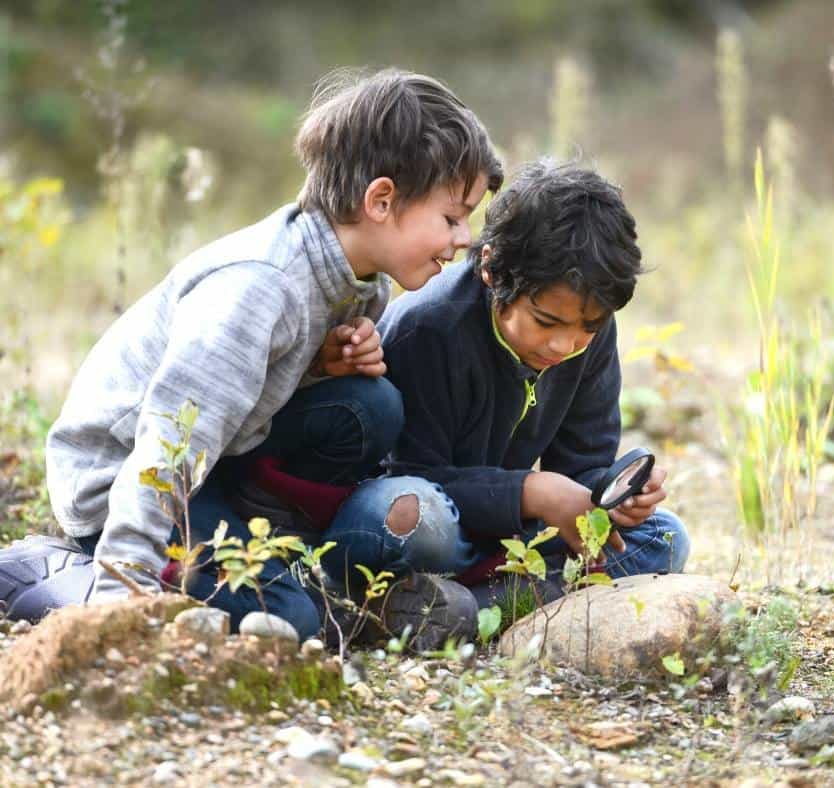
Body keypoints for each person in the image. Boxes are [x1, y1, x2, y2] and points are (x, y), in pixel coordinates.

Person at [0, 69, 502, 643]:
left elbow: (252, 390)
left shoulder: (361, 280)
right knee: (290, 620)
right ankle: (59, 574)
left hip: (215, 465)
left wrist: (319, 367)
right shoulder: (259, 288)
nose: (464, 239)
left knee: (371, 405)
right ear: (381, 200)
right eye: (452, 217)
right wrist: (121, 594)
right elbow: (171, 437)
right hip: (124, 479)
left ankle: (250, 538)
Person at [321, 160, 690, 615]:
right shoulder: (431, 329)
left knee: (664, 537)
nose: (564, 344)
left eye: (588, 327)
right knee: (414, 516)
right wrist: (531, 491)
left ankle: (463, 611)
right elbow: (408, 474)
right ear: (492, 269)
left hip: (512, 538)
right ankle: (493, 603)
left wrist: (610, 500)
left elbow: (581, 466)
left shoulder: (588, 337)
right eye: (545, 321)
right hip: (420, 525)